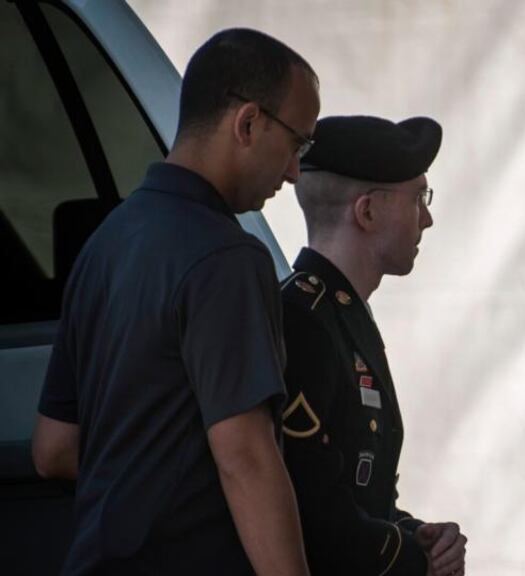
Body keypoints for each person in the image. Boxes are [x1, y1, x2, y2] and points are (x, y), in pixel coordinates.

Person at [31, 28, 319, 575]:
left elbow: (53, 447)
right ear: (249, 123)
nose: (294, 171)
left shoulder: (104, 243)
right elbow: (246, 456)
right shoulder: (226, 257)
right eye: (297, 144)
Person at [281, 115, 468, 576]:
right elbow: (313, 512)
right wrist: (413, 557)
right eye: (418, 198)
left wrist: (416, 533)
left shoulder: (340, 315)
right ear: (366, 212)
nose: (428, 218)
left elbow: (360, 491)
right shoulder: (301, 320)